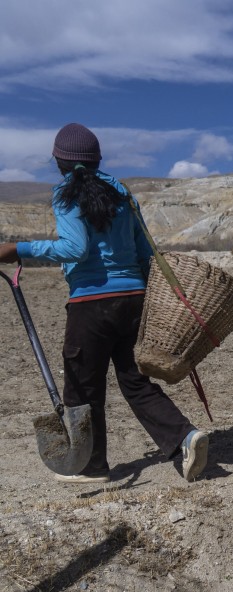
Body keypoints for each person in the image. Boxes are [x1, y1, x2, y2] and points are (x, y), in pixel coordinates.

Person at [0, 123, 208, 484]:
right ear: (97, 160)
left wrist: (19, 248)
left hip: (91, 304)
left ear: (58, 161)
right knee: (136, 383)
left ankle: (91, 465)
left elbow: (74, 249)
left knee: (83, 386)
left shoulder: (66, 191)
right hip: (133, 300)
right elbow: (145, 251)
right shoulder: (122, 191)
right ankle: (185, 437)